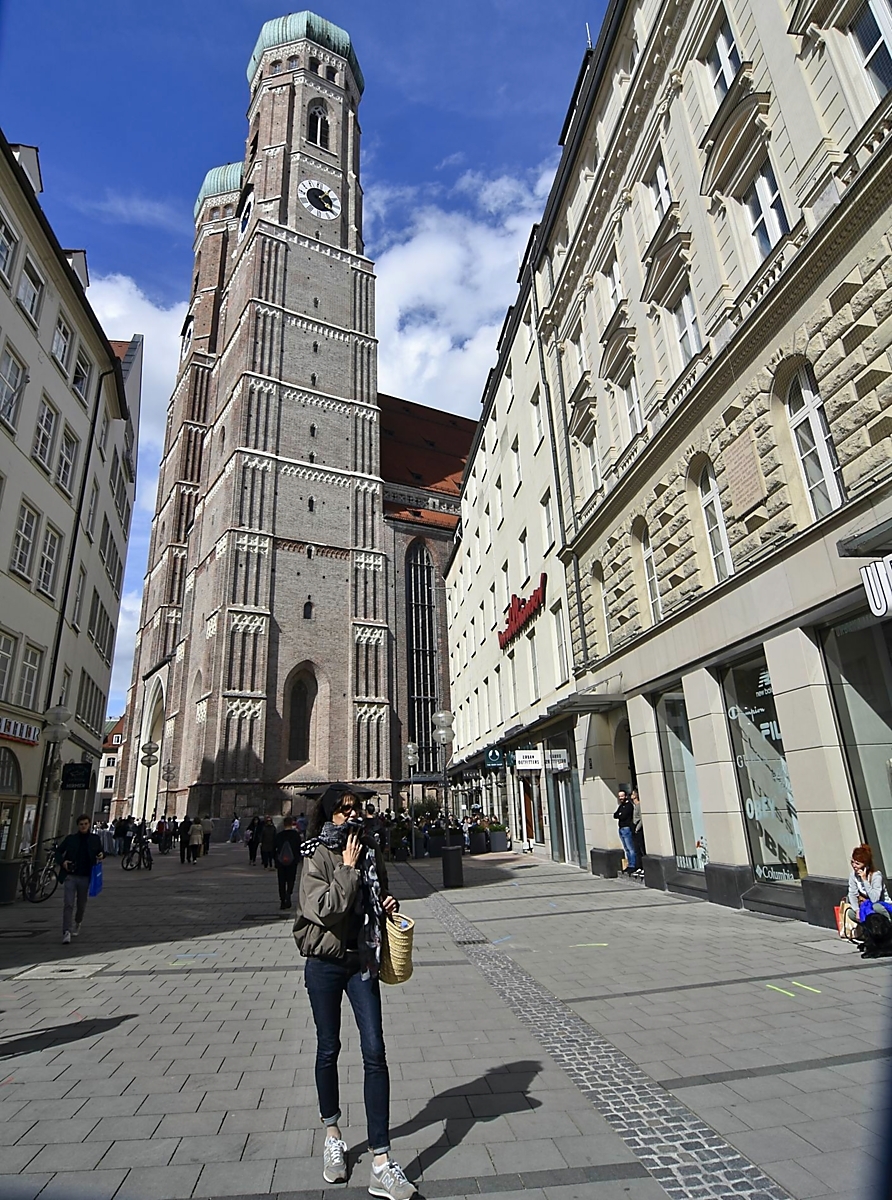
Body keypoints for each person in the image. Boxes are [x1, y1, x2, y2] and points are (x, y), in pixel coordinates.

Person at [294, 783, 416, 1199]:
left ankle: (381, 1161)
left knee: (375, 1051)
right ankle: (332, 1134)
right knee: (328, 1048)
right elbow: (324, 909)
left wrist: (387, 904)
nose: (351, 814)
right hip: (325, 964)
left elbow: (377, 891)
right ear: (328, 813)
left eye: (355, 808)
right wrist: (346, 869)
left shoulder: (370, 850)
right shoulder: (316, 854)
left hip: (362, 960)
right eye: (343, 809)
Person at [55, 814, 104, 944]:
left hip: (86, 876)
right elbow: (58, 852)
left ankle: (78, 921)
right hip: (70, 875)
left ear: (89, 825)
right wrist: (63, 862)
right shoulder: (71, 839)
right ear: (78, 826)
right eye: (81, 824)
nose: (83, 826)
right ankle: (66, 931)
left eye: (86, 824)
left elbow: (101, 851)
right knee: (68, 904)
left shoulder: (94, 839)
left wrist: (101, 855)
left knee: (81, 904)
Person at [275, 815, 302, 910]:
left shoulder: (279, 835)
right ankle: (288, 894)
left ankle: (282, 900)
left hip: (281, 862)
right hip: (292, 861)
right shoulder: (295, 835)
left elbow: (275, 848)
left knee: (281, 881)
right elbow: (299, 847)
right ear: (291, 824)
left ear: (284, 824)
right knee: (291, 879)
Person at [613, 789, 637, 874]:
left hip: (627, 828)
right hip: (621, 828)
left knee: (630, 848)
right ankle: (629, 864)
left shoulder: (629, 806)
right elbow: (615, 815)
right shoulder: (621, 806)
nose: (620, 798)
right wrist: (619, 815)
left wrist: (620, 815)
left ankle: (633, 865)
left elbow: (623, 816)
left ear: (626, 796)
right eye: (619, 796)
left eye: (622, 796)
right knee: (626, 848)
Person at [630, 788, 645, 879]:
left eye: (632, 794)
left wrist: (637, 828)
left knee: (641, 848)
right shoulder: (634, 805)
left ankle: (643, 867)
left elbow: (642, 818)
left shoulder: (639, 806)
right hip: (634, 827)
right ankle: (639, 866)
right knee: (636, 849)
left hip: (638, 828)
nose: (631, 796)